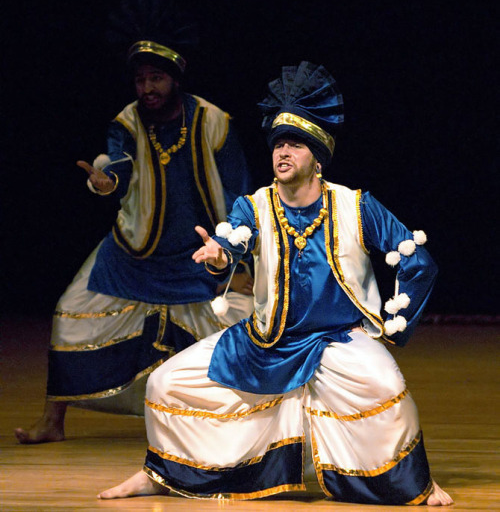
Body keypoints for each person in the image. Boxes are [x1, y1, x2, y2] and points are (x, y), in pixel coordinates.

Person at [97, 62, 453, 506]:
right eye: (278, 144)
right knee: (165, 383)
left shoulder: (355, 206)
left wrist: (396, 320)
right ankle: (161, 473)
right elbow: (232, 238)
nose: (283, 152)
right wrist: (219, 255)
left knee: (385, 386)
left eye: (296, 145)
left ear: (317, 158)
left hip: (337, 339)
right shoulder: (256, 206)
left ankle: (415, 483)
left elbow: (416, 257)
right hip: (265, 339)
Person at [15, 37, 253, 444]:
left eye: (156, 78)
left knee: (240, 325)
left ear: (175, 80)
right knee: (69, 315)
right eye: (140, 80)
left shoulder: (214, 121)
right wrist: (107, 183)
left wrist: (237, 255)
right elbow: (118, 163)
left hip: (199, 251)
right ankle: (53, 421)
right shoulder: (126, 122)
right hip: (134, 249)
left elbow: (238, 191)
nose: (147, 89)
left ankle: (246, 422)